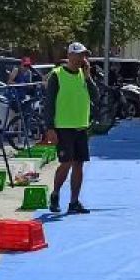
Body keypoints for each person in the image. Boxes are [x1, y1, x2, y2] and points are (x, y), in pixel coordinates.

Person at [46, 42, 96, 214]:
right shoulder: (57, 75)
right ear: (70, 56)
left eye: (84, 55)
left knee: (79, 164)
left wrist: (88, 77)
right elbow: (49, 103)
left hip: (81, 126)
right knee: (66, 163)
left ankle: (74, 201)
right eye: (79, 55)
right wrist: (50, 127)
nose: (82, 58)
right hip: (63, 126)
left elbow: (96, 95)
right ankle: (55, 193)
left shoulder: (84, 75)